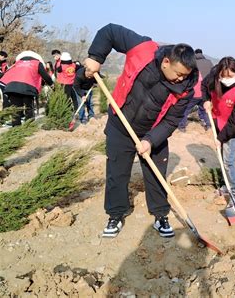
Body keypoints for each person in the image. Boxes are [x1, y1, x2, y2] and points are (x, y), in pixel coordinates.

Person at [83, 23, 198, 238]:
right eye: (178, 73)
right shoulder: (143, 48)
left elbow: (172, 120)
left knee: (156, 175)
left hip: (153, 131)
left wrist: (150, 141)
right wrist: (95, 57)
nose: (181, 78)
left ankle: (160, 215)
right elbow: (109, 31)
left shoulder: (186, 88)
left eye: (185, 75)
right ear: (166, 62)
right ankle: (115, 215)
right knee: (117, 172)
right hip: (121, 124)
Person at [202, 56, 235, 202]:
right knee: (222, 157)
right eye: (223, 76)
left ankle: (233, 189)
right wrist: (206, 100)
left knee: (228, 161)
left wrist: (220, 138)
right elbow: (204, 86)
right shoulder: (214, 77)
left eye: (230, 76)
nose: (226, 79)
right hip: (218, 121)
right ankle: (226, 185)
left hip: (233, 129)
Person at [2, 51, 53, 126]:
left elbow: (6, 73)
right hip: (27, 87)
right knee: (29, 108)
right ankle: (29, 126)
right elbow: (45, 76)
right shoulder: (37, 63)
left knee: (16, 109)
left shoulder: (17, 63)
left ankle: (16, 129)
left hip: (12, 87)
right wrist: (51, 84)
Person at [178, 48, 212, 132]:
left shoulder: (193, 63)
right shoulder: (209, 63)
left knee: (186, 109)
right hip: (206, 92)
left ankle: (182, 127)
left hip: (195, 91)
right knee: (204, 110)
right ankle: (209, 126)